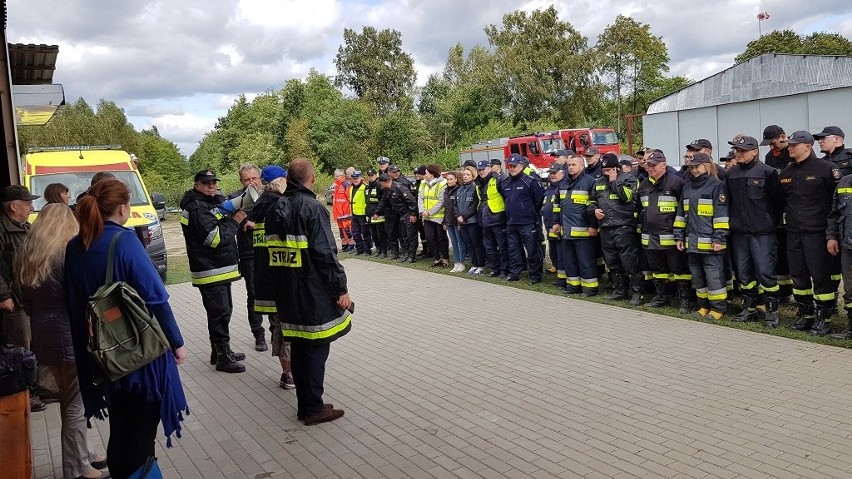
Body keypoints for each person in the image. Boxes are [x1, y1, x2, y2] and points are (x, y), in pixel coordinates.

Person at [65, 179, 188, 479]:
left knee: (122, 431)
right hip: (138, 355)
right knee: (140, 438)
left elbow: (72, 300)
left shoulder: (75, 245)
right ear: (122, 207)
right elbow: (156, 297)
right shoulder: (124, 241)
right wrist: (177, 341)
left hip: (102, 357)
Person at [17, 204, 108, 479]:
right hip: (70, 336)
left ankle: (87, 453)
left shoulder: (28, 255)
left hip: (44, 337)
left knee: (70, 401)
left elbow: (24, 301)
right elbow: (81, 298)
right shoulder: (65, 255)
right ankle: (77, 468)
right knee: (75, 405)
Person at [265, 158, 350, 425]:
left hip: (287, 291)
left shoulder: (276, 207)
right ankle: (313, 409)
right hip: (312, 291)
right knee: (316, 350)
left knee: (300, 349)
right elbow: (325, 253)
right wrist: (341, 289)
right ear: (311, 178)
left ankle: (307, 404)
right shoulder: (312, 208)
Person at [180, 169, 247, 373]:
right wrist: (235, 221)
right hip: (211, 269)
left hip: (216, 268)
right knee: (219, 313)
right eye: (206, 183)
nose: (211, 186)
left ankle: (218, 351)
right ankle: (223, 358)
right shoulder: (197, 208)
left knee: (222, 312)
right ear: (196, 185)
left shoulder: (207, 202)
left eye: (213, 183)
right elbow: (214, 238)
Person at [779, 131, 840, 336]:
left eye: (795, 145)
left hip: (818, 233)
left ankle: (825, 319)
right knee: (798, 277)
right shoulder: (786, 172)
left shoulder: (827, 169)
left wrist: (832, 234)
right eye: (789, 145)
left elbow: (836, 204)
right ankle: (805, 315)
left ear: (808, 146)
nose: (790, 148)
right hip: (794, 233)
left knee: (821, 277)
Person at [725, 135, 782, 327]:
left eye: (742, 150)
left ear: (755, 151)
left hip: (762, 232)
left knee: (766, 273)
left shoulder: (768, 172)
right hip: (739, 232)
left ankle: (771, 312)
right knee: (744, 274)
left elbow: (777, 201)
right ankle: (748, 309)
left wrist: (769, 222)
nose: (737, 153)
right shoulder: (731, 173)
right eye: (736, 150)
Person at [246, 165, 294, 389]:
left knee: (277, 325)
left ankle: (286, 372)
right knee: (287, 326)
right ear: (279, 181)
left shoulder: (258, 207)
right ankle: (291, 372)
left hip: (264, 277)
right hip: (281, 276)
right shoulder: (279, 205)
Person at [0, 184, 47, 412]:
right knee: (20, 347)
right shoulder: (2, 228)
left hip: (27, 295)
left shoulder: (23, 225)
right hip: (13, 300)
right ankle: (24, 395)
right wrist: (4, 295)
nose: (31, 207)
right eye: (28, 203)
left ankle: (35, 389)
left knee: (32, 343)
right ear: (13, 206)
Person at [674, 153, 729, 320]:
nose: (693, 170)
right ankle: (703, 306)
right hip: (691, 242)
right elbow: (681, 214)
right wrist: (679, 236)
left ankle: (718, 309)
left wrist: (719, 238)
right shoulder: (687, 187)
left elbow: (721, 215)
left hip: (711, 243)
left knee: (714, 277)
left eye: (697, 166)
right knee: (697, 277)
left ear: (707, 165)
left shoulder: (717, 185)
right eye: (691, 167)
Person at [637, 151, 692, 312]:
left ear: (664, 165)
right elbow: (639, 210)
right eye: (648, 165)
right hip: (650, 237)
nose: (650, 168)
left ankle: (685, 300)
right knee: (657, 270)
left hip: (671, 237)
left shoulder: (676, 183)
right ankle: (662, 296)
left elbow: (683, 211)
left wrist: (680, 233)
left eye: (654, 165)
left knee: (680, 269)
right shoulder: (644, 185)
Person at [592, 153, 642, 305]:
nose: (606, 173)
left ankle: (636, 292)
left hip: (624, 226)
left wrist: (614, 182)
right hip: (606, 228)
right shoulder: (598, 182)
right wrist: (594, 210)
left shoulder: (629, 179)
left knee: (629, 262)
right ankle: (620, 290)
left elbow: (627, 197)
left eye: (609, 170)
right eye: (604, 170)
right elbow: (591, 200)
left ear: (616, 169)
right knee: (612, 262)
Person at [229, 163, 268, 352]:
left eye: (254, 178)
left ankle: (276, 329)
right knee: (253, 293)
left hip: (269, 250)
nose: (252, 182)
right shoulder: (235, 199)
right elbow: (235, 220)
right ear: (241, 181)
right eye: (247, 179)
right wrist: (245, 221)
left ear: (260, 178)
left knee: (274, 291)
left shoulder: (270, 195)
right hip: (248, 253)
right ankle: (258, 334)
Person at [552, 155, 598, 295]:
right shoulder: (563, 183)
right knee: (569, 261)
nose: (570, 167)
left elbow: (594, 205)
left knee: (585, 261)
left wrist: (593, 226)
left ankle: (589, 288)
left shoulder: (590, 182)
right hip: (566, 230)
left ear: (582, 166)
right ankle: (573, 286)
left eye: (573, 165)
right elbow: (557, 204)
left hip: (583, 231)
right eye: (569, 165)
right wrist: (556, 222)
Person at [501, 154, 545, 284]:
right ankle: (515, 273)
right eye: (510, 166)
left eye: (514, 166)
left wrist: (528, 212)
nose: (512, 169)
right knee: (513, 250)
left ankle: (535, 275)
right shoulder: (505, 183)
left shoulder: (529, 181)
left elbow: (538, 201)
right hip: (512, 222)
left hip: (527, 222)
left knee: (532, 250)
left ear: (521, 166)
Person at [827, 170, 852, 339]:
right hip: (847, 245)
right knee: (850, 289)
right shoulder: (844, 182)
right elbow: (835, 213)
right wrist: (832, 237)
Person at [476, 160, 509, 278]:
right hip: (485, 220)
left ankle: (505, 270)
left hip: (497, 218)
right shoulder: (479, 182)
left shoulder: (497, 179)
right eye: (479, 170)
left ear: (490, 169)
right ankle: (494, 269)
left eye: (483, 169)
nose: (481, 172)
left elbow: (506, 198)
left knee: (502, 246)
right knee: (489, 247)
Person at [375, 173, 418, 262]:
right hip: (401, 214)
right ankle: (406, 254)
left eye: (381, 182)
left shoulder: (399, 187)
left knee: (411, 236)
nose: (380, 184)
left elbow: (411, 201)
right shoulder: (387, 190)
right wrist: (377, 212)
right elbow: (383, 201)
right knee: (404, 236)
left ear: (385, 182)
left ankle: (412, 256)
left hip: (408, 213)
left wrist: (413, 214)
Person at [456, 166, 485, 275]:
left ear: (473, 175)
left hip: (472, 221)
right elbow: (456, 205)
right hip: (462, 222)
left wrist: (464, 216)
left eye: (468, 174)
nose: (465, 176)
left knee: (476, 244)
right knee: (469, 244)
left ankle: (481, 265)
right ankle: (474, 264)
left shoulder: (475, 187)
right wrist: (458, 216)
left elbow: (475, 205)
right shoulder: (460, 189)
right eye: (464, 174)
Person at [419, 164, 449, 267]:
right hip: (426, 217)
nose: (425, 174)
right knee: (429, 237)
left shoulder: (443, 183)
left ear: (431, 174)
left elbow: (441, 201)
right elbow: (420, 198)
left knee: (441, 238)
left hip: (438, 217)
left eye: (426, 173)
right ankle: (436, 258)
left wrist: (430, 212)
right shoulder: (423, 183)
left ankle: (445, 258)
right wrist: (422, 211)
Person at [542, 164, 566, 288]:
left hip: (560, 227)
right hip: (549, 226)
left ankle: (564, 279)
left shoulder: (563, 187)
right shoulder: (549, 189)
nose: (552, 175)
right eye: (550, 173)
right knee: (554, 253)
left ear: (562, 173)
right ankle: (558, 275)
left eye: (554, 173)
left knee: (562, 254)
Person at [443, 171, 466, 272]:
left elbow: (458, 207)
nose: (449, 181)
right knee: (454, 243)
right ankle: (456, 262)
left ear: (456, 179)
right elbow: (446, 207)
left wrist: (459, 218)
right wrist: (444, 221)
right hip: (449, 220)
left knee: (460, 242)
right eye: (447, 179)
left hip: (457, 220)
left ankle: (461, 262)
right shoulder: (446, 191)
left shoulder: (459, 190)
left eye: (451, 179)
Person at [364, 169, 388, 257]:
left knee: (380, 234)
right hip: (370, 214)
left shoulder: (379, 185)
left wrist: (378, 211)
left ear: (376, 175)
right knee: (373, 234)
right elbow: (367, 200)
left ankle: (383, 251)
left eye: (372, 175)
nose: (370, 177)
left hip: (378, 214)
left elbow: (383, 200)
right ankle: (378, 249)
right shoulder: (367, 187)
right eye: (369, 175)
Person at [348, 171, 373, 255]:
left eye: (357, 178)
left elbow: (368, 200)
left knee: (365, 233)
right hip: (354, 213)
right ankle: (359, 249)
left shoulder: (365, 187)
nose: (355, 180)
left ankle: (367, 250)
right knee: (355, 233)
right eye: (353, 178)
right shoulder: (351, 188)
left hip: (362, 214)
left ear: (360, 178)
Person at [331, 169, 354, 252]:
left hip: (346, 213)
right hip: (339, 214)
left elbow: (349, 199)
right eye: (335, 176)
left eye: (337, 176)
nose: (335, 177)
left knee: (348, 231)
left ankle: (352, 246)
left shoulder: (345, 185)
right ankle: (345, 246)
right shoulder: (337, 186)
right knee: (341, 232)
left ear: (342, 176)